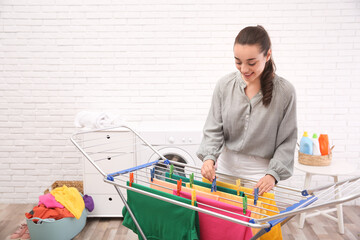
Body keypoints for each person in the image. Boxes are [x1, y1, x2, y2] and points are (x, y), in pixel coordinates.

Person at [197, 25, 297, 195]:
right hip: (224, 168)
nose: (244, 69)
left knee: (256, 220)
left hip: (260, 175)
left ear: (268, 55)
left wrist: (272, 175)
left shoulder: (285, 92)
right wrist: (209, 158)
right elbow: (214, 128)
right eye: (238, 61)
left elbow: (287, 141)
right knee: (219, 219)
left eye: (251, 63)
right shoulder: (224, 85)